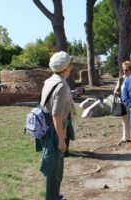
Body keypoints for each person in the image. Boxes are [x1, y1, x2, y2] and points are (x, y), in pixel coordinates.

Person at [36, 51, 75, 199]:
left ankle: (54, 195)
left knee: (56, 167)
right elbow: (57, 115)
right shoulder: (61, 86)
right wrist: (61, 139)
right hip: (56, 128)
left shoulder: (49, 81)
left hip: (49, 126)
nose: (71, 67)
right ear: (65, 68)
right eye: (70, 64)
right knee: (54, 168)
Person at [114, 61, 131, 145]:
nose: (124, 72)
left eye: (126, 70)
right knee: (125, 120)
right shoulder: (121, 79)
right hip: (123, 102)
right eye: (123, 70)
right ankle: (126, 137)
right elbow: (116, 89)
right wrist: (115, 92)